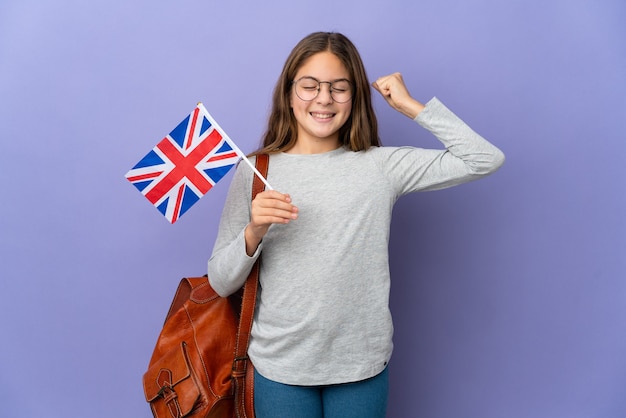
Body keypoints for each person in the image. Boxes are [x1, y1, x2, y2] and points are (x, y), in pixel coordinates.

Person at [208, 31, 504, 418]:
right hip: (279, 367)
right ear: (288, 92)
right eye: (310, 86)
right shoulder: (255, 171)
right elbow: (220, 281)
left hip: (360, 365)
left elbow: (484, 159)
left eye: (339, 88)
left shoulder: (380, 166)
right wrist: (253, 232)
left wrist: (412, 107)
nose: (324, 99)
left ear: (355, 97)